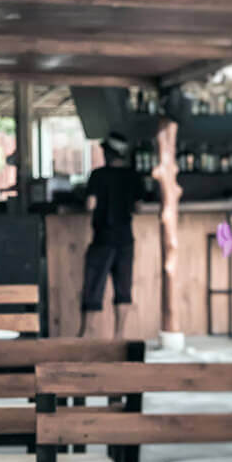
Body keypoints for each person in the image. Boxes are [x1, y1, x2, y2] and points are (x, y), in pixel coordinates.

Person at [79, 131, 143, 339]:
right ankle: (119, 335)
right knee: (123, 288)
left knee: (94, 286)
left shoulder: (98, 175)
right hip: (126, 238)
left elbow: (90, 205)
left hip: (103, 238)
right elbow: (139, 207)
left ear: (108, 153)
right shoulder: (133, 176)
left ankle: (87, 334)